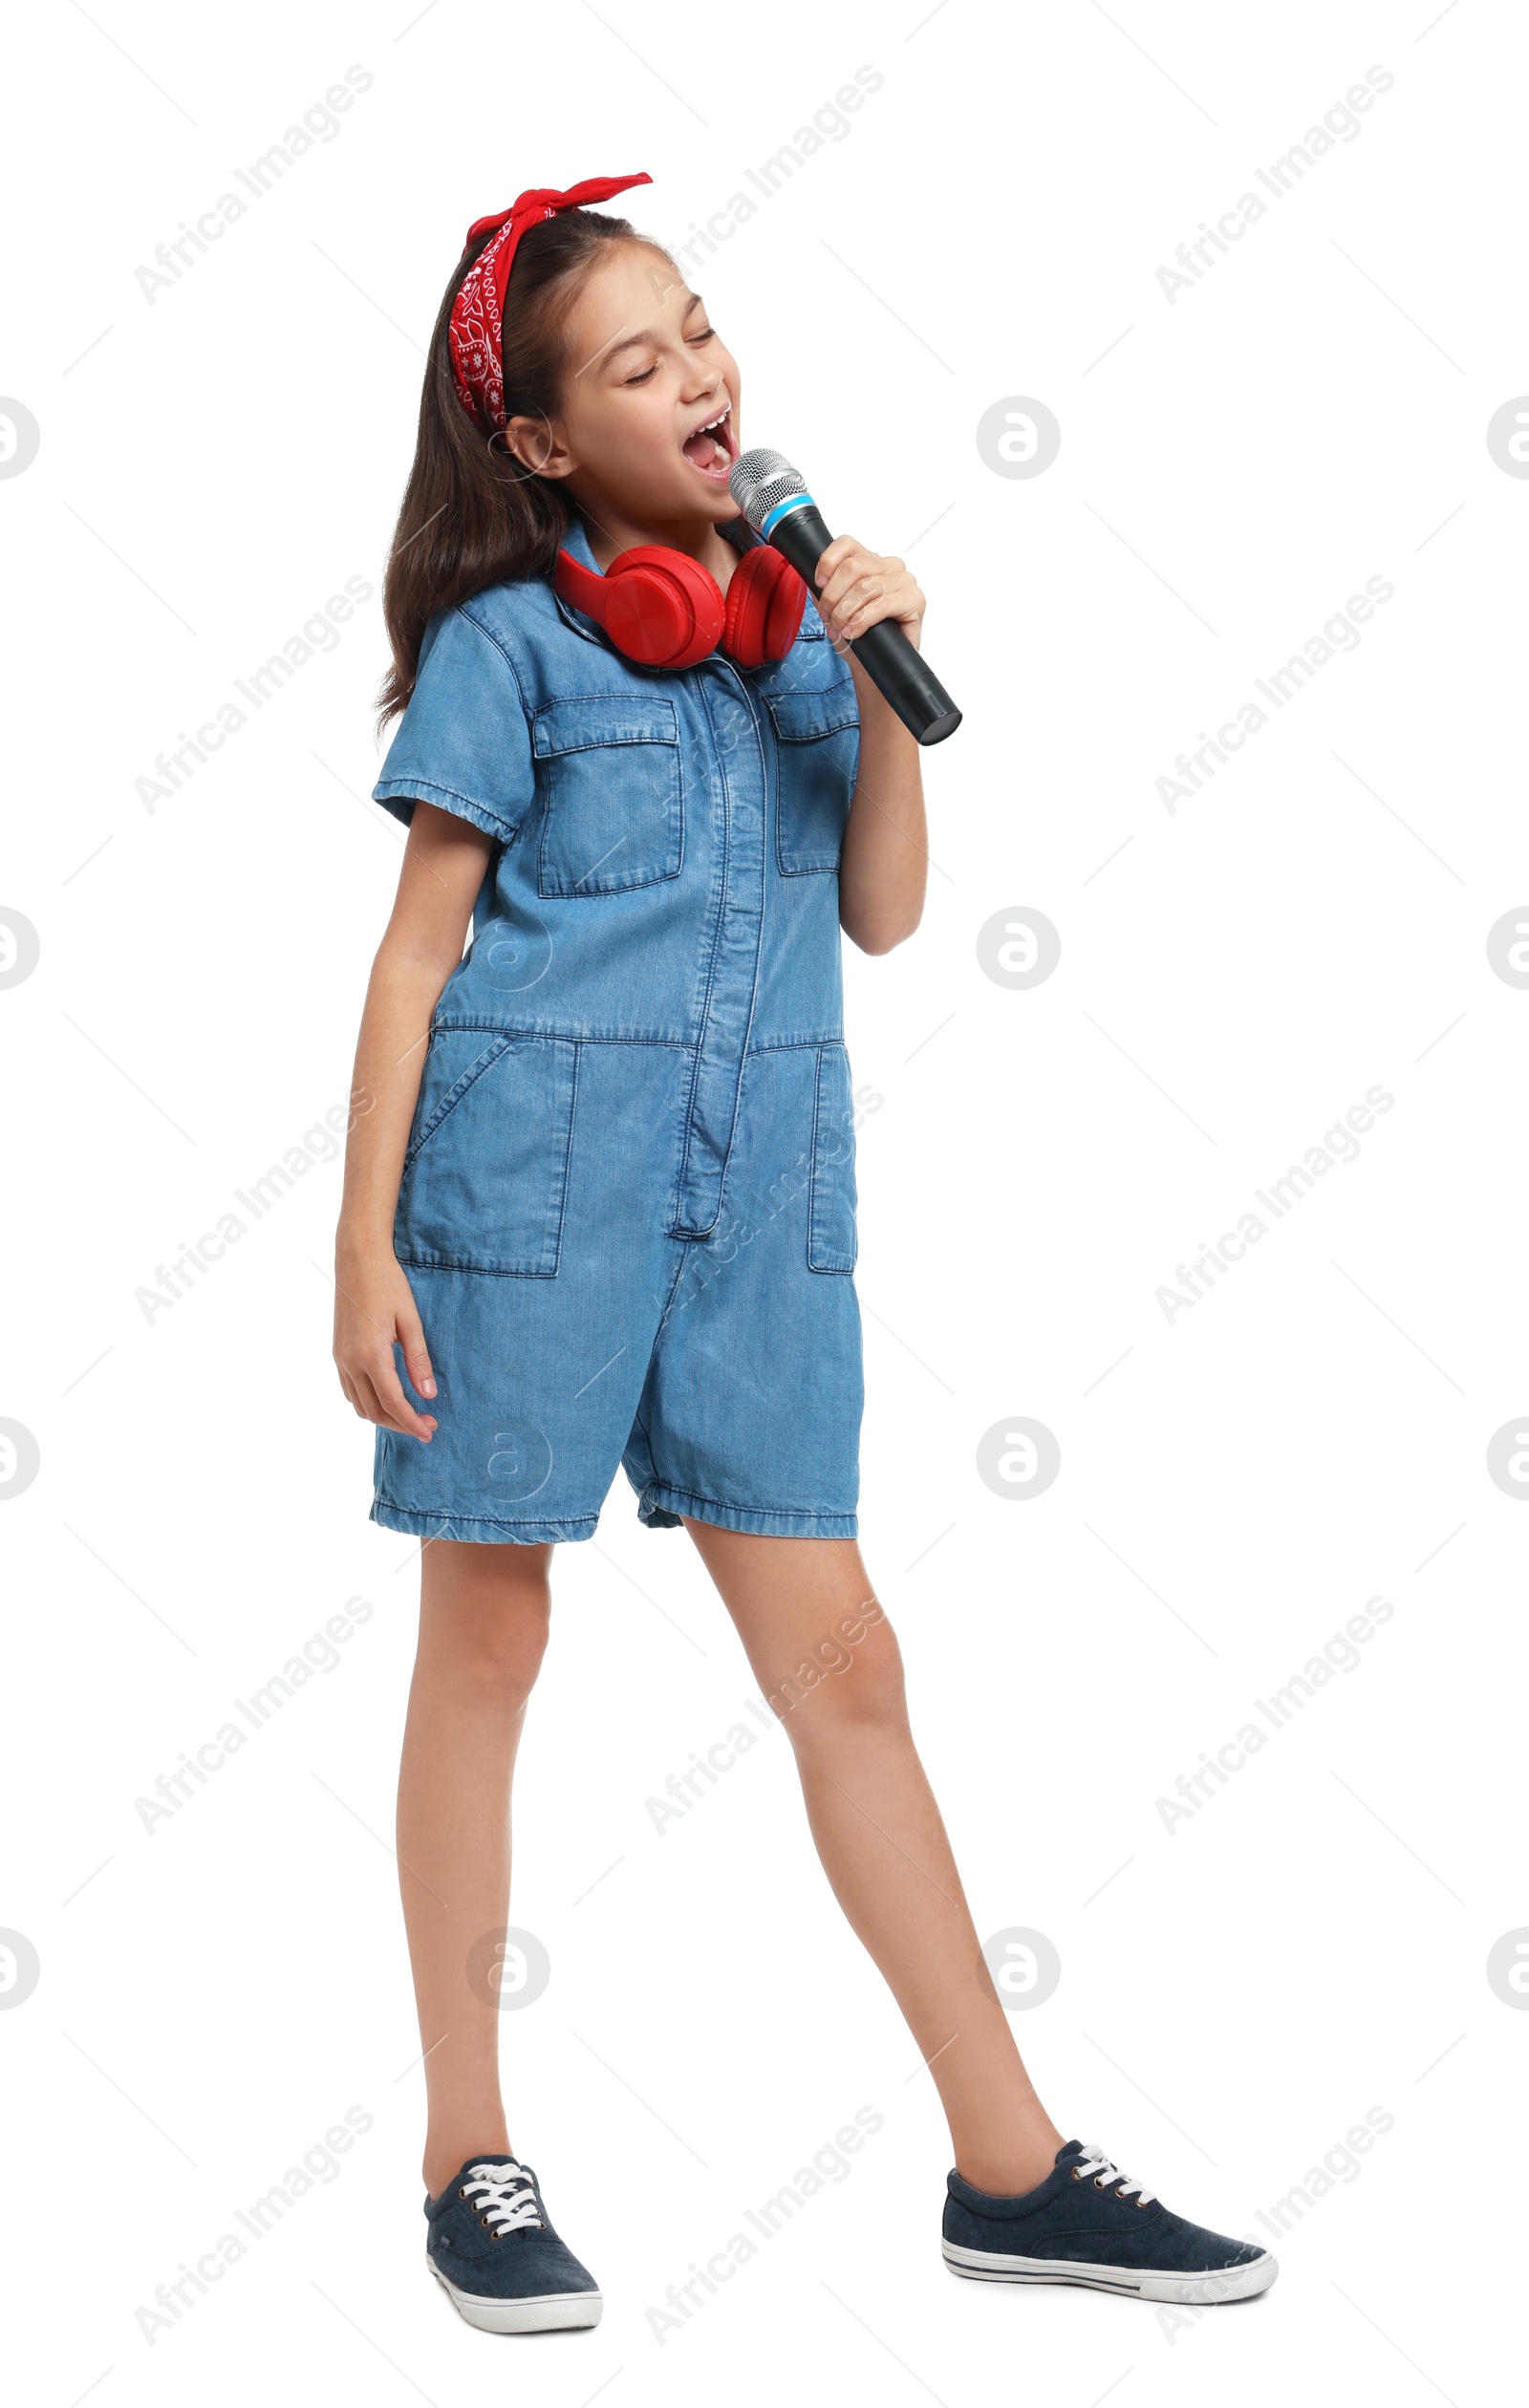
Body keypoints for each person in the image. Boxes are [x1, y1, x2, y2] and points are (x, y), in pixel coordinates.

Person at [332, 172, 1277, 2334]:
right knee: (485, 1655)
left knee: (849, 1667)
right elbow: (411, 963)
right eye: (637, 361)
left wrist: (858, 661)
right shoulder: (512, 647)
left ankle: (1008, 2166)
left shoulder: (784, 634)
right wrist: (357, 1251)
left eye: (702, 333)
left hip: (761, 1206)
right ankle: (463, 2152)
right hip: (526, 1208)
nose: (699, 377)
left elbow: (880, 913)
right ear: (549, 444)